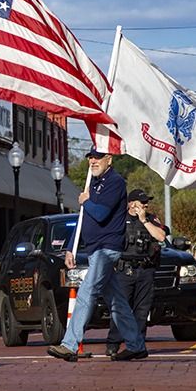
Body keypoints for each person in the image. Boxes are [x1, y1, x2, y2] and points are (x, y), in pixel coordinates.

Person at [47, 147, 148, 362]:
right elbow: (83, 217)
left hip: (107, 248)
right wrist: (70, 246)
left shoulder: (116, 182)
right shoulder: (91, 183)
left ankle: (69, 344)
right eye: (90, 158)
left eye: (98, 157)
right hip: (93, 249)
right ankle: (136, 345)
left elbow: (101, 214)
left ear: (108, 159)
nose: (93, 161)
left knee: (87, 292)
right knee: (117, 302)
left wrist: (86, 201)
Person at [105, 189, 169, 356]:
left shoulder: (151, 219)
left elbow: (161, 237)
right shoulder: (119, 219)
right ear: (132, 204)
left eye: (146, 202)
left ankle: (137, 344)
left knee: (142, 310)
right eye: (142, 202)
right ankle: (113, 342)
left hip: (146, 270)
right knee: (120, 308)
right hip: (124, 269)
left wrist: (144, 220)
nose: (146, 204)